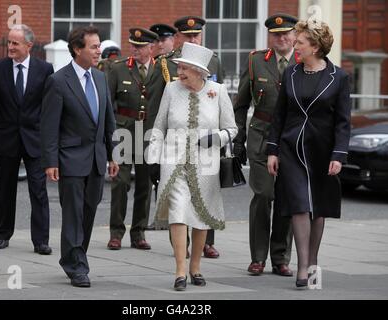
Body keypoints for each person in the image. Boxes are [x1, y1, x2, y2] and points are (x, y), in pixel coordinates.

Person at [266, 20, 351, 289]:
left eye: (300, 42)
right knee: (299, 204)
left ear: (315, 46)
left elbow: (343, 121)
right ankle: (303, 267)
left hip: (322, 151)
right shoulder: (291, 73)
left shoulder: (339, 77)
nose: (295, 45)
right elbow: (279, 116)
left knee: (319, 208)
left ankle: (314, 263)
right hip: (291, 149)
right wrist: (273, 150)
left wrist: (338, 154)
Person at [148, 42, 237, 290]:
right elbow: (159, 126)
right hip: (173, 161)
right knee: (177, 211)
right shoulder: (170, 89)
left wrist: (216, 138)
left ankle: (195, 267)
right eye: (179, 68)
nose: (180, 73)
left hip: (206, 163)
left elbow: (232, 129)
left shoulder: (218, 91)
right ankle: (179, 271)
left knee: (200, 216)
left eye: (185, 68)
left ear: (199, 71)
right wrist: (153, 159)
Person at [41, 25, 119, 287]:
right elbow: (49, 125)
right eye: (94, 46)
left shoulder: (100, 78)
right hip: (70, 159)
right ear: (77, 49)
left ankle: (75, 257)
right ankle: (76, 266)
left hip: (97, 159)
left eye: (99, 46)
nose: (99, 51)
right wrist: (50, 161)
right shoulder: (58, 81)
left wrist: (113, 155)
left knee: (88, 212)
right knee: (73, 214)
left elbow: (108, 121)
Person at [146, 16, 223, 258]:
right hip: (174, 144)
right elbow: (155, 109)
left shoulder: (214, 61)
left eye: (196, 35)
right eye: (187, 35)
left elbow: (219, 105)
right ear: (178, 37)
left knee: (205, 194)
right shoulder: (166, 64)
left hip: (205, 145)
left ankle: (206, 242)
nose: (192, 39)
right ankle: (181, 246)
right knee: (178, 201)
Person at [234, 13, 298, 276]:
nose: (281, 38)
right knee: (263, 195)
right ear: (269, 36)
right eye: (275, 34)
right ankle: (258, 257)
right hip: (260, 137)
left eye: (286, 34)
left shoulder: (305, 60)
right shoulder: (256, 61)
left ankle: (280, 257)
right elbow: (241, 104)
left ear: (294, 36)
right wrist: (238, 140)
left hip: (292, 140)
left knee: (286, 197)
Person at [0, 25, 54, 254]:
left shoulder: (45, 69)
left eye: (15, 43)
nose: (10, 47)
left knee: (39, 190)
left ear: (29, 46)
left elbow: (49, 108)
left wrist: (50, 139)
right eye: (9, 43)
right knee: (5, 189)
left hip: (35, 140)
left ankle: (41, 240)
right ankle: (2, 235)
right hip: (6, 138)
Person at [106, 28, 158, 251]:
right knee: (120, 183)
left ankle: (139, 233)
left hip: (149, 133)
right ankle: (116, 232)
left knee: (145, 186)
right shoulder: (118, 68)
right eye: (133, 45)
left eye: (140, 46)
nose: (135, 50)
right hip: (124, 131)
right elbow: (108, 104)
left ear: (151, 48)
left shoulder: (162, 70)